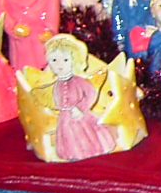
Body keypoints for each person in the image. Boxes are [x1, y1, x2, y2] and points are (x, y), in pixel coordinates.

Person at [36, 34, 118, 162]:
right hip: (65, 118)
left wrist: (80, 108)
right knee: (68, 137)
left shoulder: (79, 81)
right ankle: (73, 154)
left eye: (65, 60)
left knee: (86, 135)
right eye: (54, 60)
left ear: (74, 61)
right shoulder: (57, 84)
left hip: (80, 116)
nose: (59, 65)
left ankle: (91, 151)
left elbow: (90, 94)